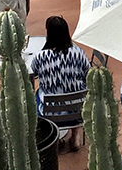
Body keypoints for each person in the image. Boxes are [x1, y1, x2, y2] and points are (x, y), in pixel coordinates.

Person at [32, 15, 89, 151]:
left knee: (36, 94)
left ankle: (50, 138)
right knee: (75, 93)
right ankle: (75, 137)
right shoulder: (78, 53)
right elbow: (88, 73)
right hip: (78, 111)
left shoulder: (40, 57)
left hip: (49, 113)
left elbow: (33, 72)